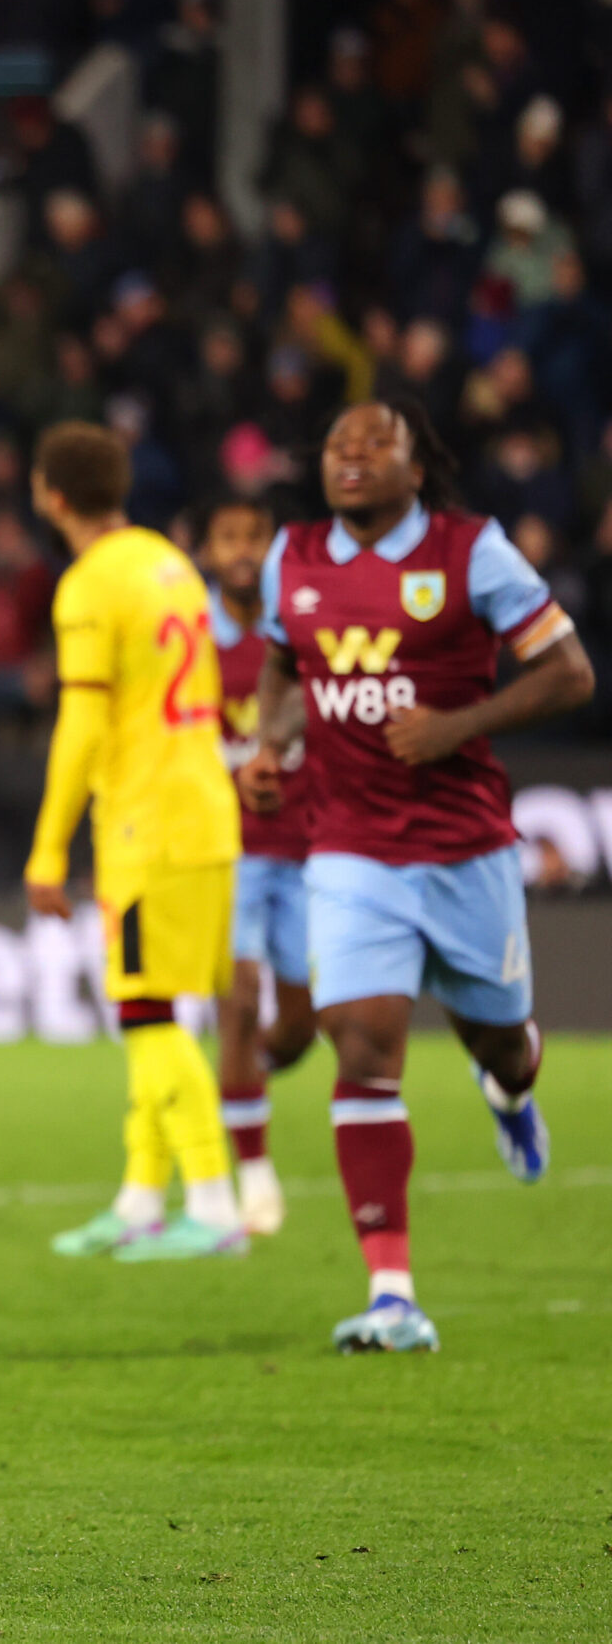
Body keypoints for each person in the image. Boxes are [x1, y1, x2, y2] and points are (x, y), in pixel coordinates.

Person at [241, 401, 593, 1353]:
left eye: (374, 443)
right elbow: (282, 668)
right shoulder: (293, 558)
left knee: (501, 1040)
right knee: (359, 1037)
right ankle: (392, 1295)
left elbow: (571, 675)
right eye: (335, 445)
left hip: (465, 847)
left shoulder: (471, 551)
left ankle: (511, 1096)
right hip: (350, 844)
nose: (351, 456)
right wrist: (267, 749)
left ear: (415, 464)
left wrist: (456, 727)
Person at [23, 422, 247, 1264]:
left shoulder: (89, 585)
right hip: (203, 804)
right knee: (150, 1010)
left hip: (148, 820)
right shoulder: (168, 562)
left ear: (52, 496)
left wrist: (48, 850)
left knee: (148, 1016)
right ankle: (142, 1198)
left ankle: (215, 1205)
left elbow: (82, 724)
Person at [201, 497, 315, 1237]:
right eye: (229, 536)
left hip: (307, 846)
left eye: (255, 536)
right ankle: (253, 1171)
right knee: (238, 1002)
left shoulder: (302, 628)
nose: (243, 549)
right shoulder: (187, 638)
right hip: (226, 851)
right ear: (208, 550)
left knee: (305, 1026)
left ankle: (236, 1094)